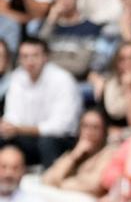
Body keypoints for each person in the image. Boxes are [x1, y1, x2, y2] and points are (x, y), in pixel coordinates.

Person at [2, 37, 81, 165]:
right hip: (27, 137)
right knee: (4, 138)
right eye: (25, 56)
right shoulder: (17, 77)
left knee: (47, 141)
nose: (30, 61)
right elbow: (12, 115)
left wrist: (20, 129)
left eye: (35, 55)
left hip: (62, 140)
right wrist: (7, 126)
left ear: (45, 57)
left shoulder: (63, 80)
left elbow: (61, 126)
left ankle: (48, 181)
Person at [33, 109, 116, 202]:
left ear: (104, 131)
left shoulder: (110, 153)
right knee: (29, 184)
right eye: (85, 126)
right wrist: (74, 156)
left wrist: (61, 184)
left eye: (95, 127)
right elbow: (47, 179)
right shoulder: (75, 153)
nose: (89, 132)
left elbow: (95, 185)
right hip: (64, 201)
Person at [34, 0, 104, 79]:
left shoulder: (91, 28)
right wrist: (51, 21)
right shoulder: (47, 25)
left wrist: (46, 64)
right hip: (45, 80)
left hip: (75, 81)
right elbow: (35, 54)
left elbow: (80, 66)